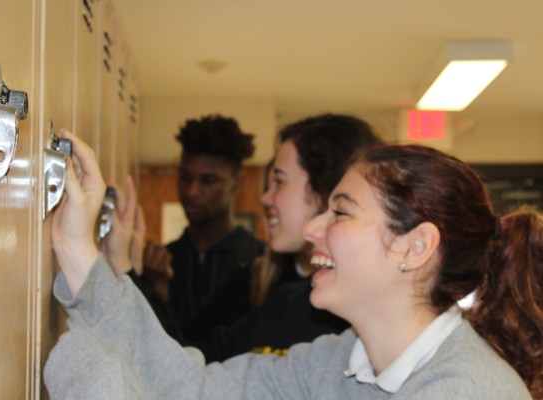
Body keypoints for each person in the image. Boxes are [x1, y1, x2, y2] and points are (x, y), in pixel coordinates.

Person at [46, 132, 541, 399]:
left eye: (340, 212)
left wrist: (88, 373)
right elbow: (190, 386)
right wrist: (77, 249)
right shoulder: (338, 362)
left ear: (414, 248)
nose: (312, 229)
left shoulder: (468, 392)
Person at [199, 114, 382, 361]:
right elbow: (202, 364)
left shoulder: (365, 313)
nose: (265, 198)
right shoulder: (283, 298)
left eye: (279, 182)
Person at [138, 114, 265, 342]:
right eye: (186, 177)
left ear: (237, 182)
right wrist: (158, 289)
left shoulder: (261, 261)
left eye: (208, 181)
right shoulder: (162, 262)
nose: (192, 191)